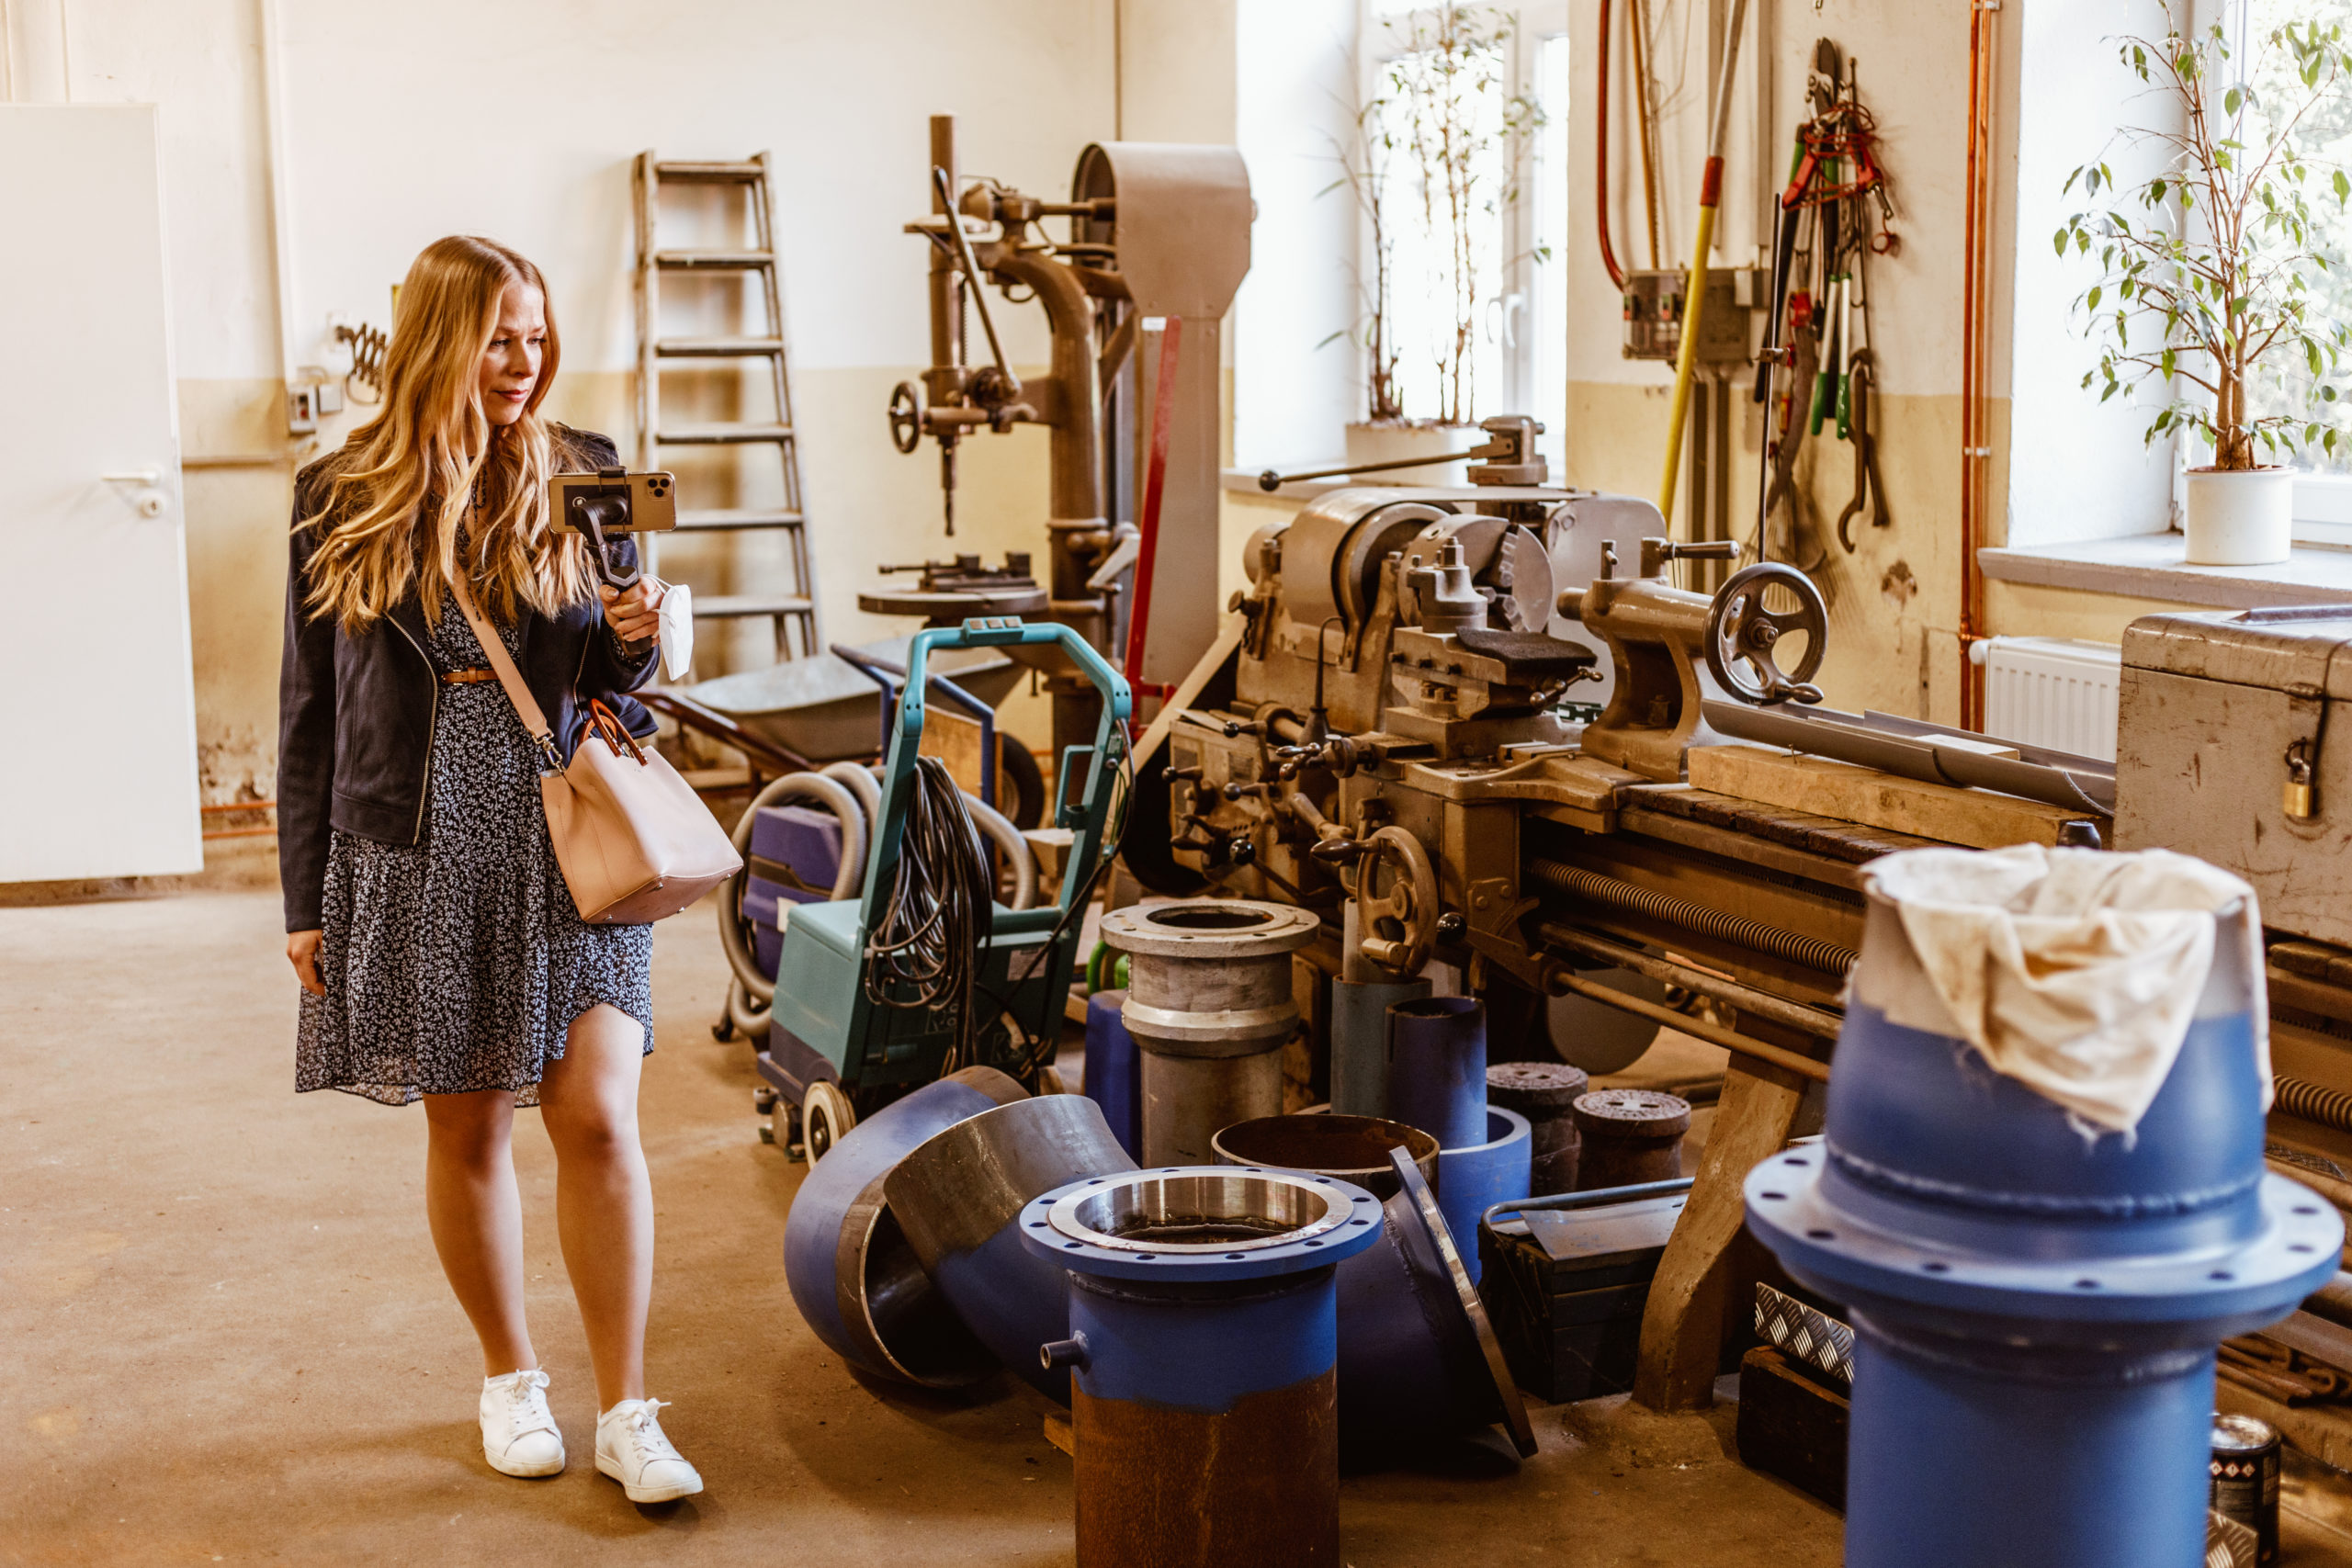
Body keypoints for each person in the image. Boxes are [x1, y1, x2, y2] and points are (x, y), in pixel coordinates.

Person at [277, 234, 700, 1505]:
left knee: (599, 1119)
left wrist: (637, 640)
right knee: (466, 1129)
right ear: (436, 343)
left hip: (567, 830)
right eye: (496, 337)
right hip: (415, 837)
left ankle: (629, 1409)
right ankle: (511, 1378)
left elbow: (627, 686)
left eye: (536, 335)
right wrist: (304, 899)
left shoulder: (588, 474)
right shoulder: (340, 487)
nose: (523, 362)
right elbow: (305, 706)